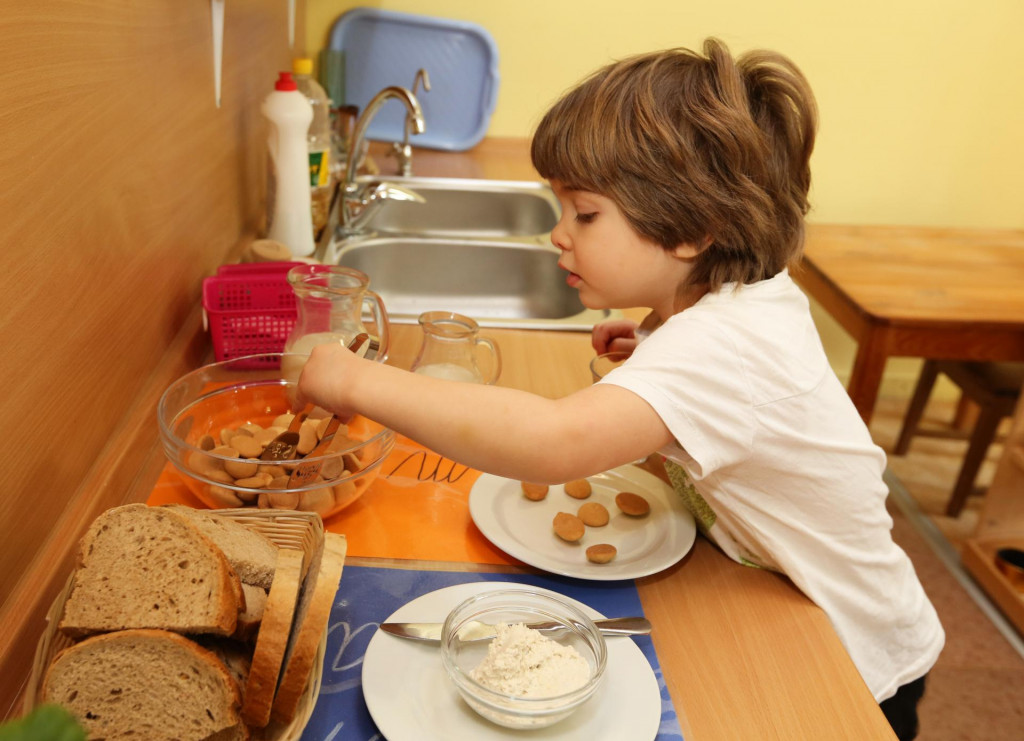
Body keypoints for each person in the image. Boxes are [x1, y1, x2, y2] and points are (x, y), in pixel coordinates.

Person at [297, 38, 943, 739]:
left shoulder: (723, 345)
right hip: (779, 592)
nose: (558, 235)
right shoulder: (723, 311)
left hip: (854, 654)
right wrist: (655, 349)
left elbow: (552, 442)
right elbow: (734, 393)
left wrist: (357, 377)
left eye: (584, 213)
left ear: (693, 229)